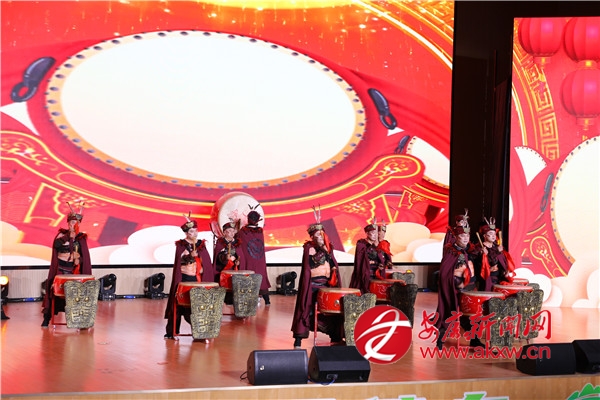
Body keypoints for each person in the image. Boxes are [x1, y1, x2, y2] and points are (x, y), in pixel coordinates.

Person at [291, 222, 343, 348]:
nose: (321, 237)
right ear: (312, 237)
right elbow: (312, 263)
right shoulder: (309, 248)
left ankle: (335, 336)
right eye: (318, 235)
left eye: (322, 234)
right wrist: (322, 251)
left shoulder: (328, 248)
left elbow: (332, 264)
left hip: (326, 285)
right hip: (313, 285)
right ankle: (298, 339)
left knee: (331, 310)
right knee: (306, 310)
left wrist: (332, 267)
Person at [164, 215, 215, 339]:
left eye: (196, 230)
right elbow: (180, 261)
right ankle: (172, 331)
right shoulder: (181, 245)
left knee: (198, 307)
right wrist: (190, 256)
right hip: (185, 279)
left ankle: (201, 331)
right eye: (192, 231)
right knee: (179, 305)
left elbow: (206, 263)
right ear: (186, 233)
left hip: (198, 279)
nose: (195, 233)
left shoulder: (201, 244)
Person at [41, 203, 92, 327]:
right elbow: (56, 245)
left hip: (73, 272)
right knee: (54, 293)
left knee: (76, 295)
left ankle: (80, 320)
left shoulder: (81, 238)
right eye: (72, 222)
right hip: (60, 269)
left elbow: (84, 257)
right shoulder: (61, 235)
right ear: (68, 223)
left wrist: (79, 260)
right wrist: (68, 236)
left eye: (76, 222)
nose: (74, 224)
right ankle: (47, 318)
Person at [434, 225, 484, 349]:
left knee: (472, 314)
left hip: (470, 288)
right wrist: (457, 283)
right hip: (456, 288)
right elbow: (445, 273)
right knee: (450, 313)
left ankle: (474, 339)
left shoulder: (470, 251)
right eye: (462, 235)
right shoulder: (451, 252)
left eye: (467, 235)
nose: (465, 238)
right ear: (456, 237)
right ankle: (440, 339)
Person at [236, 209, 271, 305]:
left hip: (249, 260)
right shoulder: (260, 231)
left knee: (249, 277)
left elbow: (237, 241)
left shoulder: (243, 232)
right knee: (261, 277)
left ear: (248, 219)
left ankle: (250, 300)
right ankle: (267, 301)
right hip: (259, 260)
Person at [473, 217, 514, 289]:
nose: (493, 236)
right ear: (484, 235)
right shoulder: (479, 248)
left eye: (495, 234)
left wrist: (505, 270)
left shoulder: (497, 247)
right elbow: (485, 264)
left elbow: (503, 262)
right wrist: (496, 252)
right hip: (486, 279)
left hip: (498, 278)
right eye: (490, 233)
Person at [349, 221, 386, 294]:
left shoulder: (377, 246)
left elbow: (381, 259)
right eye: (372, 233)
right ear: (367, 233)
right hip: (365, 273)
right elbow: (360, 260)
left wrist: (380, 265)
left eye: (376, 233)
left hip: (375, 274)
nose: (375, 235)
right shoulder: (361, 244)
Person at [213, 220, 243, 304]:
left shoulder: (237, 243)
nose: (232, 233)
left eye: (233, 231)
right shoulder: (220, 242)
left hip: (234, 270)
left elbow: (240, 256)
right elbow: (218, 257)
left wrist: (238, 262)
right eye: (229, 231)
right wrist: (225, 258)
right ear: (224, 232)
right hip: (222, 270)